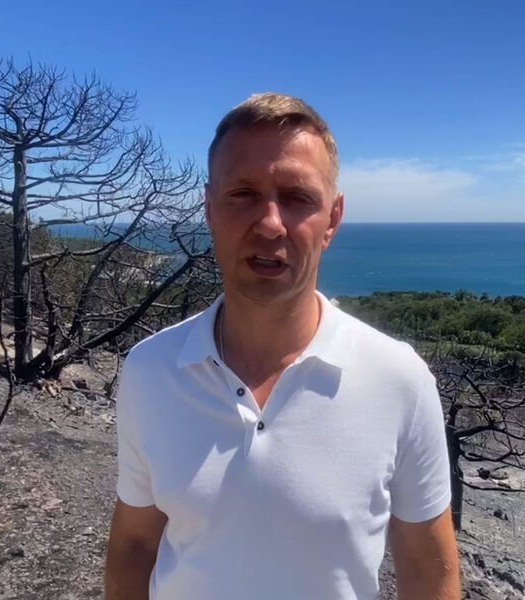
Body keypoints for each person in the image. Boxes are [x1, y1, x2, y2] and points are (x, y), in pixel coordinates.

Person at [105, 93, 460, 600]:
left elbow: (429, 571)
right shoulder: (151, 369)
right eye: (243, 194)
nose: (270, 223)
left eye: (296, 197)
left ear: (332, 219)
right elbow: (136, 546)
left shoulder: (399, 380)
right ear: (210, 209)